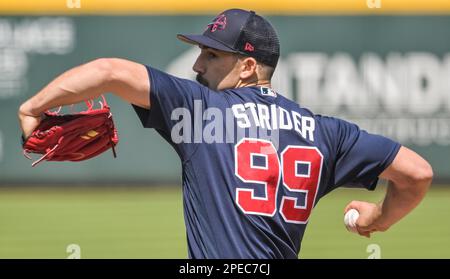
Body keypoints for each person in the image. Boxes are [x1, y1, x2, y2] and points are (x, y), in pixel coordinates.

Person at [18, 9, 433, 259]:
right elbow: (417, 174)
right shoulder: (327, 134)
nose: (198, 66)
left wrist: (32, 107)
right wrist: (377, 218)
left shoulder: (199, 110)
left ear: (248, 67)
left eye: (211, 54)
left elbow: (109, 71)